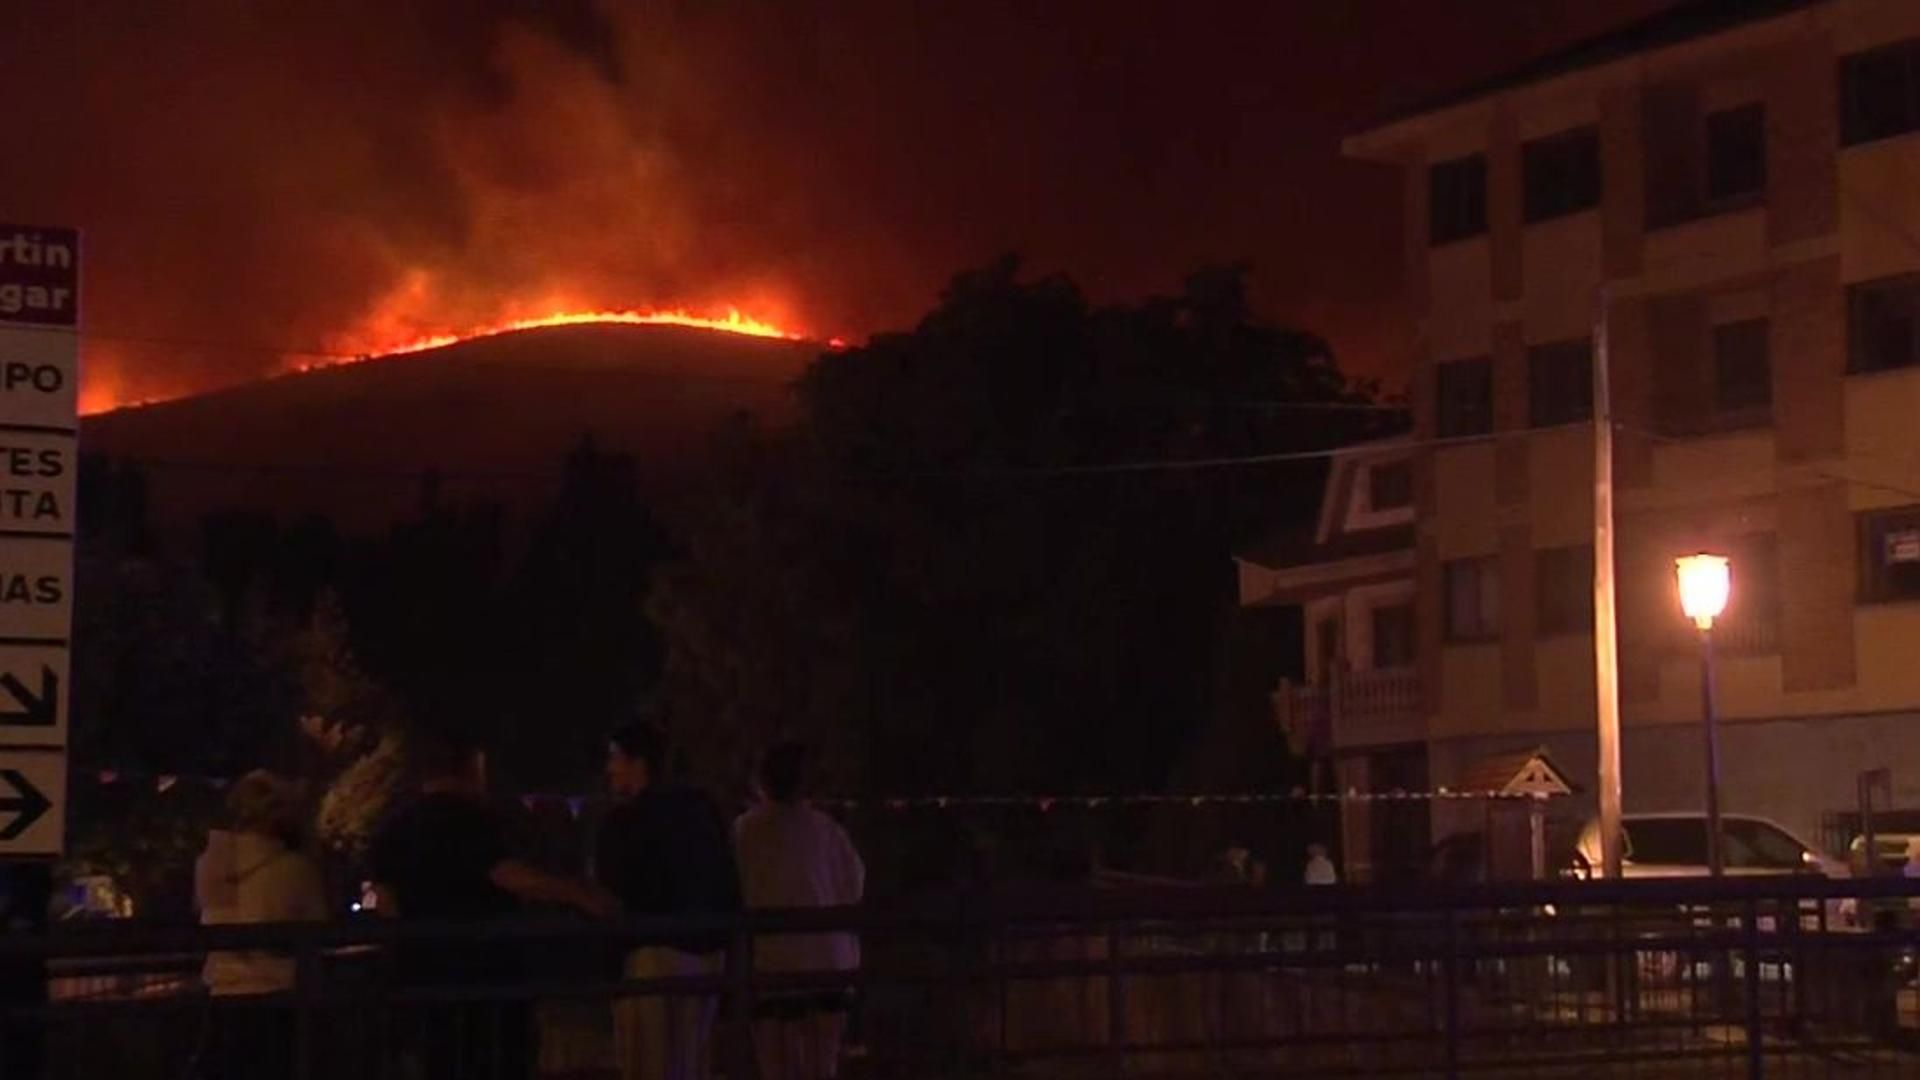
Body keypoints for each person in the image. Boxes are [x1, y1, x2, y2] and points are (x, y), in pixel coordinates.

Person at [370, 731, 616, 1080]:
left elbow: (386, 901)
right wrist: (577, 894)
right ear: (472, 768)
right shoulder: (470, 821)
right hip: (484, 976)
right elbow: (507, 874)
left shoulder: (395, 828)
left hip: (423, 976)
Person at [596, 722, 742, 1080]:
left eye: (615, 758)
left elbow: (612, 890)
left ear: (639, 763)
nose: (608, 769)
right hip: (707, 953)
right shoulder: (702, 809)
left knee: (648, 1065)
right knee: (691, 1064)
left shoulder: (625, 819)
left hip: (650, 957)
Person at [733, 743, 865, 1080]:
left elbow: (731, 890)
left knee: (777, 1068)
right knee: (822, 1066)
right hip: (829, 963)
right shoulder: (826, 829)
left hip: (773, 966)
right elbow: (854, 884)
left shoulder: (746, 831)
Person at [192, 769, 329, 1080]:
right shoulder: (296, 869)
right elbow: (318, 930)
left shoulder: (210, 866)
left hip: (222, 995)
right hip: (275, 997)